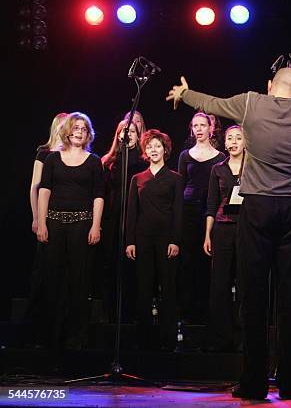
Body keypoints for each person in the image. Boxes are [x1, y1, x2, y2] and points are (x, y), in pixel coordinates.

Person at [166, 68, 291, 400]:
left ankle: (254, 382)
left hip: (257, 208)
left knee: (254, 298)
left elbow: (212, 103)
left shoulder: (251, 103)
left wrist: (186, 94)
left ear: (268, 86)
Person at [37, 112, 104, 351]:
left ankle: (78, 338)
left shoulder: (94, 160)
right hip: (54, 224)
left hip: (81, 225)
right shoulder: (53, 159)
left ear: (88, 134)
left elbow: (98, 195)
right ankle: (51, 338)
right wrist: (42, 222)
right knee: (53, 280)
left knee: (79, 281)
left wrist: (96, 225)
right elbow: (44, 191)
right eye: (75, 127)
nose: (78, 131)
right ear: (67, 131)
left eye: (83, 129)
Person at [126, 129, 183, 349]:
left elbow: (178, 212)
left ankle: (167, 339)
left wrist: (175, 240)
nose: (153, 150)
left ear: (165, 149)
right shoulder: (137, 179)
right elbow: (132, 212)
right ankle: (144, 339)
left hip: (166, 239)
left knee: (167, 287)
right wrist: (130, 241)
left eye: (158, 146)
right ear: (145, 151)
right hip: (142, 239)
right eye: (150, 147)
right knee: (144, 288)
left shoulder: (175, 178)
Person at [177, 112, 225, 324]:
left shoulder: (220, 157)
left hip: (210, 212)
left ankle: (205, 311)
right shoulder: (185, 155)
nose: (198, 129)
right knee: (187, 262)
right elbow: (180, 187)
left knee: (207, 262)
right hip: (188, 211)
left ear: (210, 128)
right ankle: (186, 312)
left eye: (202, 125)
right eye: (194, 125)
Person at [99, 118, 148, 322]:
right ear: (118, 135)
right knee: (110, 265)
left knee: (133, 268)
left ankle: (131, 315)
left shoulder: (143, 162)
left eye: (132, 132)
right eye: (123, 131)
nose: (127, 134)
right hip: (112, 219)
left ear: (138, 136)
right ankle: (109, 314)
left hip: (136, 220)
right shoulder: (108, 162)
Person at [28, 112, 69, 347]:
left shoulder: (72, 155)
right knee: (42, 271)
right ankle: (37, 326)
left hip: (65, 220)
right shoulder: (44, 153)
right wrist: (36, 217)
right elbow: (35, 188)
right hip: (46, 218)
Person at [203, 125, 245, 352]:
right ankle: (221, 337)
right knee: (220, 283)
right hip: (222, 228)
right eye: (230, 138)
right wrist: (207, 234)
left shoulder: (254, 167)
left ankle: (242, 338)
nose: (234, 142)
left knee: (244, 283)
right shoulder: (218, 169)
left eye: (239, 138)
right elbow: (211, 204)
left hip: (247, 230)